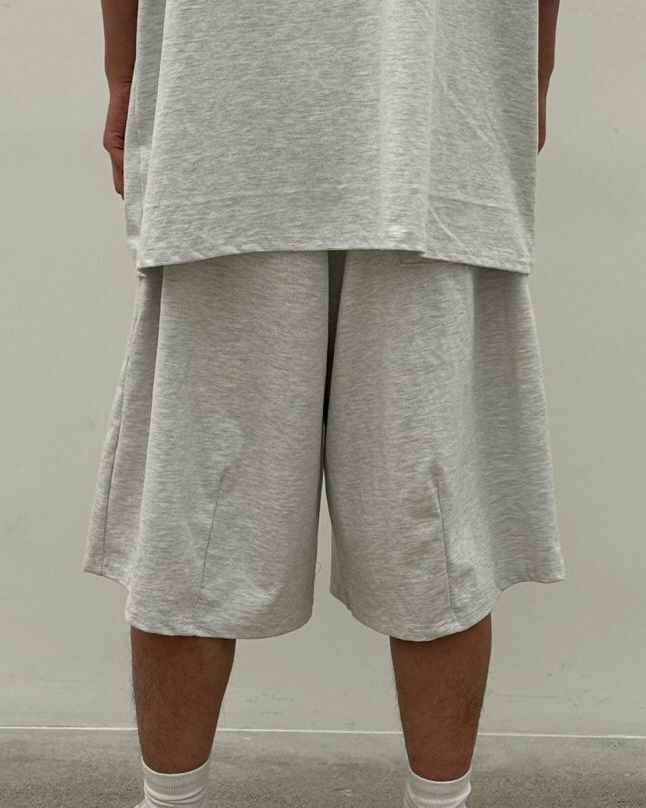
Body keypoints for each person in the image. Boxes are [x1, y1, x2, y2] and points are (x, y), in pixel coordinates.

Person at [83, 2, 566, 807]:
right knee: (428, 517)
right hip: (417, 100)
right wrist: (528, 69)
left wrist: (126, 76)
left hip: (232, 102)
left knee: (204, 515)